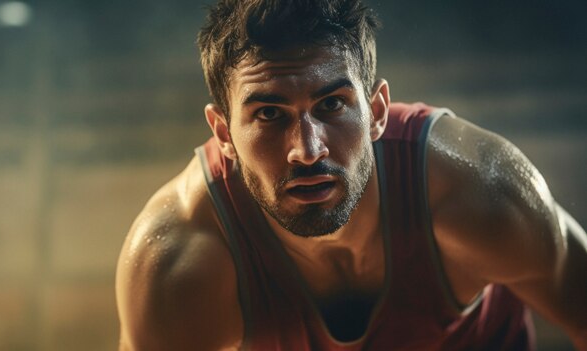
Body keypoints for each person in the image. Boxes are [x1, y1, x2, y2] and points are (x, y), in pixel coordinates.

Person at [115, 0, 587, 350]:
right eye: (269, 115)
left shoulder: (476, 190)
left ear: (377, 111)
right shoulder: (178, 259)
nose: (307, 149)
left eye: (332, 104)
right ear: (223, 132)